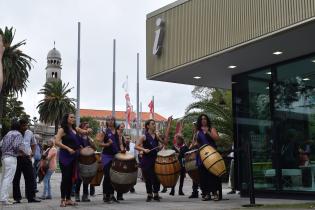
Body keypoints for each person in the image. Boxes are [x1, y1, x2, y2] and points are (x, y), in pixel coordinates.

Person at [55, 113, 92, 207]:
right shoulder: (62, 129)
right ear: (66, 119)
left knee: (72, 179)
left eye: (74, 117)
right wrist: (67, 148)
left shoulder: (75, 129)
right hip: (65, 156)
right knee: (65, 178)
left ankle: (68, 199)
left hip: (74, 156)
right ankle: (62, 199)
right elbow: (57, 142)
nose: (73, 119)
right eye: (71, 117)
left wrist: (88, 130)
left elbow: (84, 132)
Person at [135, 119, 166, 202]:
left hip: (155, 159)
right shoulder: (143, 136)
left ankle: (156, 194)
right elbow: (136, 146)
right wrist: (144, 149)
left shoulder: (156, 135)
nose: (154, 125)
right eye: (152, 124)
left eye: (154, 124)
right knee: (148, 178)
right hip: (146, 160)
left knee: (156, 177)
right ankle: (149, 194)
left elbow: (164, 143)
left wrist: (160, 146)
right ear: (148, 126)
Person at [13, 119, 41, 203]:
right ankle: (17, 198)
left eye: (26, 125)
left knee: (30, 177)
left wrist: (32, 153)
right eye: (24, 125)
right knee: (16, 178)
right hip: (17, 158)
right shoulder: (15, 133)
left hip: (27, 158)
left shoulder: (29, 133)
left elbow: (34, 143)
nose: (26, 127)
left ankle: (31, 197)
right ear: (20, 125)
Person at [0, 120, 27, 205]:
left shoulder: (7, 134)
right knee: (8, 179)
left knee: (4, 178)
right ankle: (4, 199)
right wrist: (22, 152)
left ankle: (3, 197)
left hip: (4, 157)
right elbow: (16, 146)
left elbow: (1, 145)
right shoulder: (18, 134)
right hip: (11, 158)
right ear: (18, 127)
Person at [195, 114, 221, 201]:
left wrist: (208, 132)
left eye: (205, 119)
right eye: (201, 119)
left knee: (212, 174)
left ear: (207, 120)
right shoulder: (198, 132)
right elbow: (197, 143)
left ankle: (215, 193)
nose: (203, 120)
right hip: (202, 155)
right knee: (203, 175)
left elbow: (217, 138)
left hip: (211, 155)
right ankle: (206, 194)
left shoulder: (211, 128)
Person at [96, 116, 120, 203]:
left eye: (112, 120)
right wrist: (107, 144)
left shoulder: (117, 132)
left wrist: (122, 150)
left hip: (115, 156)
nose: (110, 121)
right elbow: (99, 143)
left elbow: (119, 143)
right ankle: (105, 195)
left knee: (114, 176)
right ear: (106, 122)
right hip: (106, 156)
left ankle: (112, 195)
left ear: (114, 121)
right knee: (107, 176)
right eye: (109, 120)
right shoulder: (104, 131)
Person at [74, 122, 96, 202]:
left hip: (87, 161)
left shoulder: (88, 138)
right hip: (80, 159)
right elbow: (76, 146)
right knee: (79, 179)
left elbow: (94, 148)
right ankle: (77, 195)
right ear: (81, 128)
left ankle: (85, 196)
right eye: (86, 127)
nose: (87, 129)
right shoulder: (78, 136)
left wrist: (92, 144)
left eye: (88, 127)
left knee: (86, 179)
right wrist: (83, 148)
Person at [116, 123, 127, 201]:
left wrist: (126, 145)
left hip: (121, 157)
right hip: (115, 156)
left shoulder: (122, 137)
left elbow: (124, 147)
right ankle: (110, 194)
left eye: (123, 127)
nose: (122, 128)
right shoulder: (115, 136)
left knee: (121, 176)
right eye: (121, 127)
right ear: (118, 128)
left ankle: (119, 194)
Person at [188, 122, 199, 199]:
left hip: (198, 154)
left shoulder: (198, 133)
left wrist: (192, 145)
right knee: (194, 173)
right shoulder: (195, 134)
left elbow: (197, 143)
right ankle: (195, 191)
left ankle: (197, 191)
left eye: (194, 126)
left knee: (197, 173)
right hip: (194, 154)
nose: (193, 127)